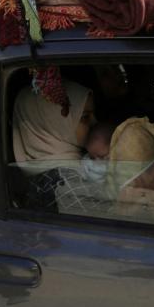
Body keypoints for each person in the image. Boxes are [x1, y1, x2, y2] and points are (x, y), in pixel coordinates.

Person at [12, 81, 101, 214]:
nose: (95, 122)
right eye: (85, 117)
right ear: (51, 123)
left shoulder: (35, 173)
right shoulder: (67, 182)